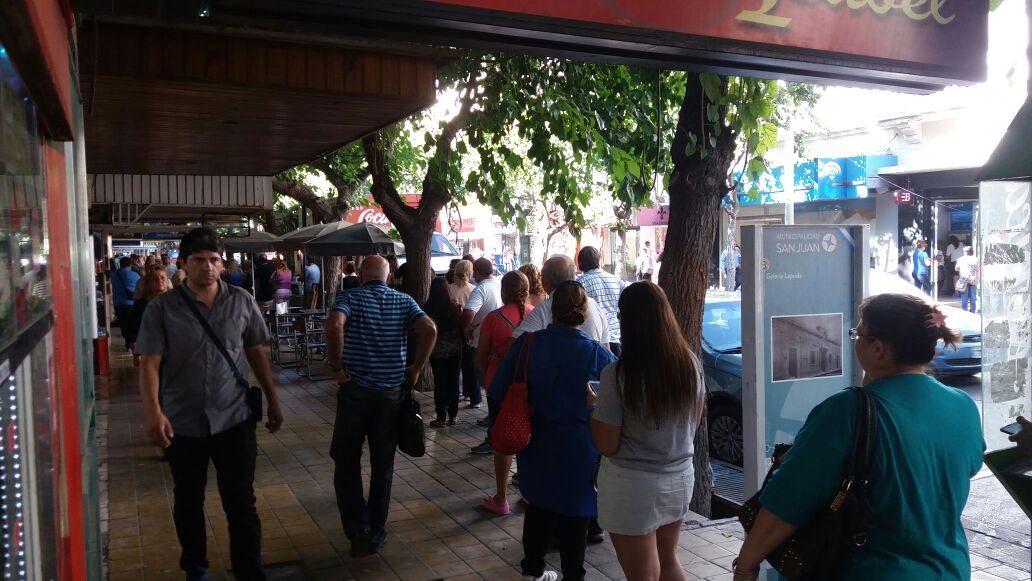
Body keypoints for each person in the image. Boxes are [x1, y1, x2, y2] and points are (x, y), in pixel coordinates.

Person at [733, 293, 984, 580]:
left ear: (878, 349)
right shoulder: (963, 406)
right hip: (949, 570)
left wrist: (746, 565)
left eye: (858, 334)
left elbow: (788, 501)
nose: (855, 341)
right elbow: (957, 471)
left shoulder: (846, 410)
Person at [136, 228, 283, 581]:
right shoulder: (162, 308)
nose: (208, 267)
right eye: (199, 260)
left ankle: (249, 572)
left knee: (241, 502)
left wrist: (273, 401)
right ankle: (196, 567)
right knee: (188, 500)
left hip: (234, 418)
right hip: (183, 421)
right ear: (184, 264)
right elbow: (149, 363)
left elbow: (256, 352)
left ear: (222, 263)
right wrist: (153, 412)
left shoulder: (241, 301)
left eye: (214, 260)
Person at [489, 281, 617, 581]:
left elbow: (496, 389)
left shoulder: (527, 345)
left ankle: (532, 570)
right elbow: (622, 403)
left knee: (538, 505)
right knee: (576, 514)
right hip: (581, 447)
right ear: (584, 312)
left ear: (551, 310)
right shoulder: (597, 355)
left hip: (536, 441)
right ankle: (574, 575)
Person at [590, 281, 705, 580]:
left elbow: (607, 443)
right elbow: (692, 423)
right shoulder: (690, 365)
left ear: (627, 321)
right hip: (680, 477)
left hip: (632, 485)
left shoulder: (617, 375)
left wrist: (595, 408)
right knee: (669, 561)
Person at [325, 255, 437, 557]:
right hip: (391, 396)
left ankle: (357, 528)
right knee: (383, 463)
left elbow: (335, 325)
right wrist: (416, 368)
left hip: (355, 393)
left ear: (362, 276)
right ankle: (376, 530)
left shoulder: (349, 297)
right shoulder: (404, 301)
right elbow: (429, 329)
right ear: (388, 278)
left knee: (346, 459)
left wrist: (337, 367)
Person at [476, 271, 534, 515]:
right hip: (529, 385)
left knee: (502, 439)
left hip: (499, 386)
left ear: (504, 291)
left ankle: (501, 498)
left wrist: (485, 378)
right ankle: (529, 491)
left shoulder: (493, 318)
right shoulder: (536, 314)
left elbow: (480, 355)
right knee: (530, 436)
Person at [513, 255, 611, 348]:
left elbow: (514, 343)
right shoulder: (593, 304)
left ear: (545, 282)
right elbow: (606, 347)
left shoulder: (544, 309)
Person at [462, 258, 502, 416]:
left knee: (486, 379)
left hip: (481, 342)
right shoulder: (499, 285)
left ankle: (492, 414)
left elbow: (468, 312)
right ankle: (495, 412)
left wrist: (467, 328)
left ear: (477, 272)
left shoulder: (481, 289)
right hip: (499, 340)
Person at [425, 277, 465, 428]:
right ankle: (453, 416)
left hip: (437, 350)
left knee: (439, 382)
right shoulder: (455, 307)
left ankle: (440, 417)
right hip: (455, 349)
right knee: (453, 381)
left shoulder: (427, 308)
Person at [577, 247, 624, 356]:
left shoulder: (579, 284)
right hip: (614, 338)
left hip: (592, 341)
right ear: (599, 259)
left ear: (580, 263)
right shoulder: (615, 280)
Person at [125, 268, 169, 358]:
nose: (159, 281)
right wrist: (136, 355)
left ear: (167, 281)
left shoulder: (175, 303)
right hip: (149, 354)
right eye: (155, 279)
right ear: (149, 284)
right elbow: (131, 333)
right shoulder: (141, 306)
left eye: (162, 278)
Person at [111, 256, 141, 336]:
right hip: (132, 303)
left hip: (118, 304)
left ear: (120, 264)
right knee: (132, 326)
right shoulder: (135, 275)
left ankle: (127, 340)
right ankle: (131, 341)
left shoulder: (113, 274)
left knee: (123, 326)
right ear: (130, 265)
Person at [954, 246, 980, 313]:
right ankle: (972, 311)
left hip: (964, 280)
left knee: (964, 298)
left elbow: (956, 269)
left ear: (965, 252)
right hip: (973, 280)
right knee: (973, 298)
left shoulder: (961, 259)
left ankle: (964, 311)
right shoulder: (977, 259)